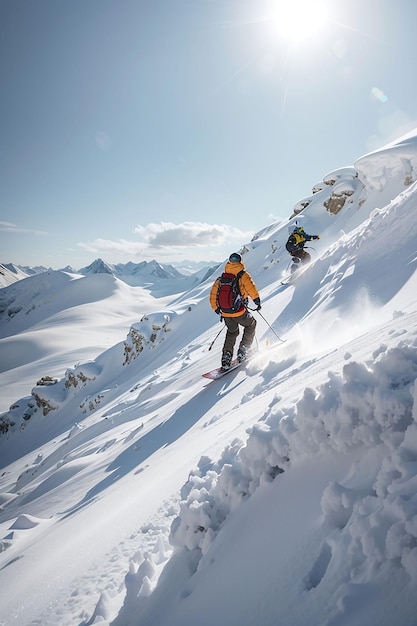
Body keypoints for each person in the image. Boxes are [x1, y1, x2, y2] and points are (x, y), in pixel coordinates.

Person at [210, 252, 261, 370]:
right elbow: (251, 287)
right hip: (239, 311)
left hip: (225, 312)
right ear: (240, 261)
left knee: (232, 332)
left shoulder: (221, 278)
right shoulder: (243, 275)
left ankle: (226, 358)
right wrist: (257, 300)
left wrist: (217, 309)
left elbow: (213, 295)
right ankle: (243, 350)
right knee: (251, 324)